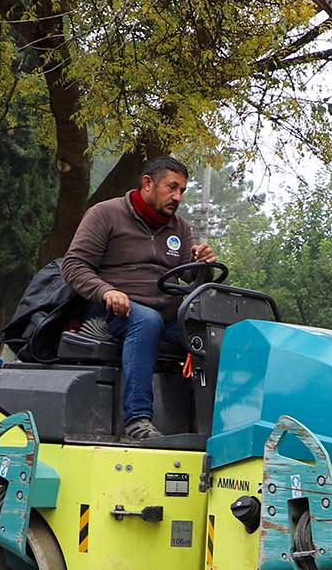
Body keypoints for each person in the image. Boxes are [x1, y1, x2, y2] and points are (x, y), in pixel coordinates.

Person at [60, 155, 216, 440]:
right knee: (147, 321)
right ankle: (137, 419)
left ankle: (212, 420)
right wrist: (106, 291)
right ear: (147, 183)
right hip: (114, 311)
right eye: (172, 187)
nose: (178, 197)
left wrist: (202, 264)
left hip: (166, 313)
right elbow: (74, 265)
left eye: (182, 190)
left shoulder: (180, 228)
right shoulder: (105, 214)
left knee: (211, 335)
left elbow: (191, 278)